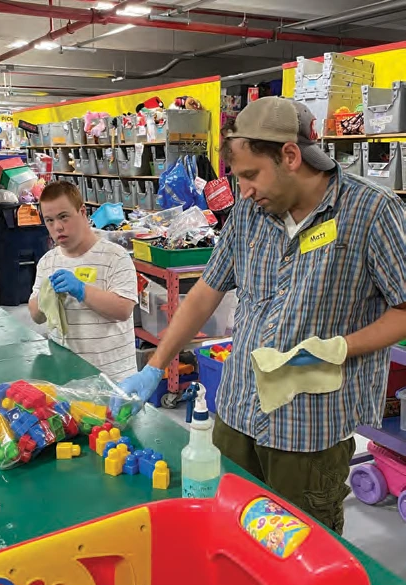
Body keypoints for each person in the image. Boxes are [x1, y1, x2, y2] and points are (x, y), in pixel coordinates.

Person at [119, 96, 406, 534]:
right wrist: (155, 367)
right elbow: (204, 294)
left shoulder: (372, 212)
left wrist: (341, 347)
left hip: (309, 428)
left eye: (251, 174)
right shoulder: (251, 213)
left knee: (298, 546)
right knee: (228, 531)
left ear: (290, 155)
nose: (245, 190)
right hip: (237, 410)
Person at [29, 181, 138, 382]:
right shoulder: (47, 262)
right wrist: (44, 297)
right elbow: (37, 317)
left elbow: (123, 309)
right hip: (66, 378)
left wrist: (81, 290)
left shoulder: (115, 256)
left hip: (113, 380)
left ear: (82, 212)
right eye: (49, 220)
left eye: (64, 217)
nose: (57, 227)